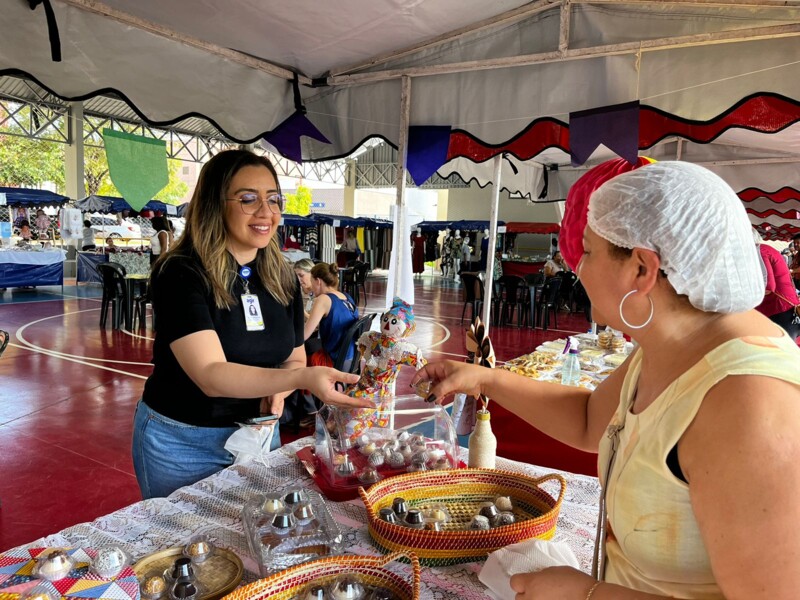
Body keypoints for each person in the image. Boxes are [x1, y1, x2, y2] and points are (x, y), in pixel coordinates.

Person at [413, 161, 800, 599]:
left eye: (589, 252)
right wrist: (485, 380)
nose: (578, 270)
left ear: (641, 269)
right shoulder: (675, 344)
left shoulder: (750, 401)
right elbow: (589, 420)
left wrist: (586, 595)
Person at [132, 149, 370, 499]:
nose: (266, 212)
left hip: (259, 434)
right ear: (216, 203)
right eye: (248, 199)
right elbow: (211, 374)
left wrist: (280, 388)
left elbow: (294, 356)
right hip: (184, 443)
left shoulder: (282, 276)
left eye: (274, 199)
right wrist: (300, 379)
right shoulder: (181, 273)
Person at [304, 262, 359, 370]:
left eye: (311, 282)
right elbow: (335, 325)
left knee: (295, 358)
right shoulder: (346, 297)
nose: (311, 287)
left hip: (334, 361)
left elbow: (304, 335)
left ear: (318, 281)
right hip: (352, 360)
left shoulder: (323, 299)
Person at [754, 228, 800, 340]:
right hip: (784, 307)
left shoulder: (760, 251)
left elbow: (768, 286)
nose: (796, 245)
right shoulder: (763, 250)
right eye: (795, 243)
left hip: (780, 309)